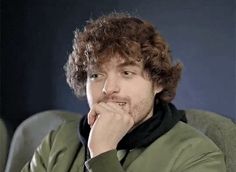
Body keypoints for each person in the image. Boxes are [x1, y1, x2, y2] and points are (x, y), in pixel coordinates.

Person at [22, 12, 226, 172]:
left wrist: (102, 154)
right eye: (95, 75)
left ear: (158, 82)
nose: (108, 88)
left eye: (126, 72)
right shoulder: (56, 142)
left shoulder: (198, 155)